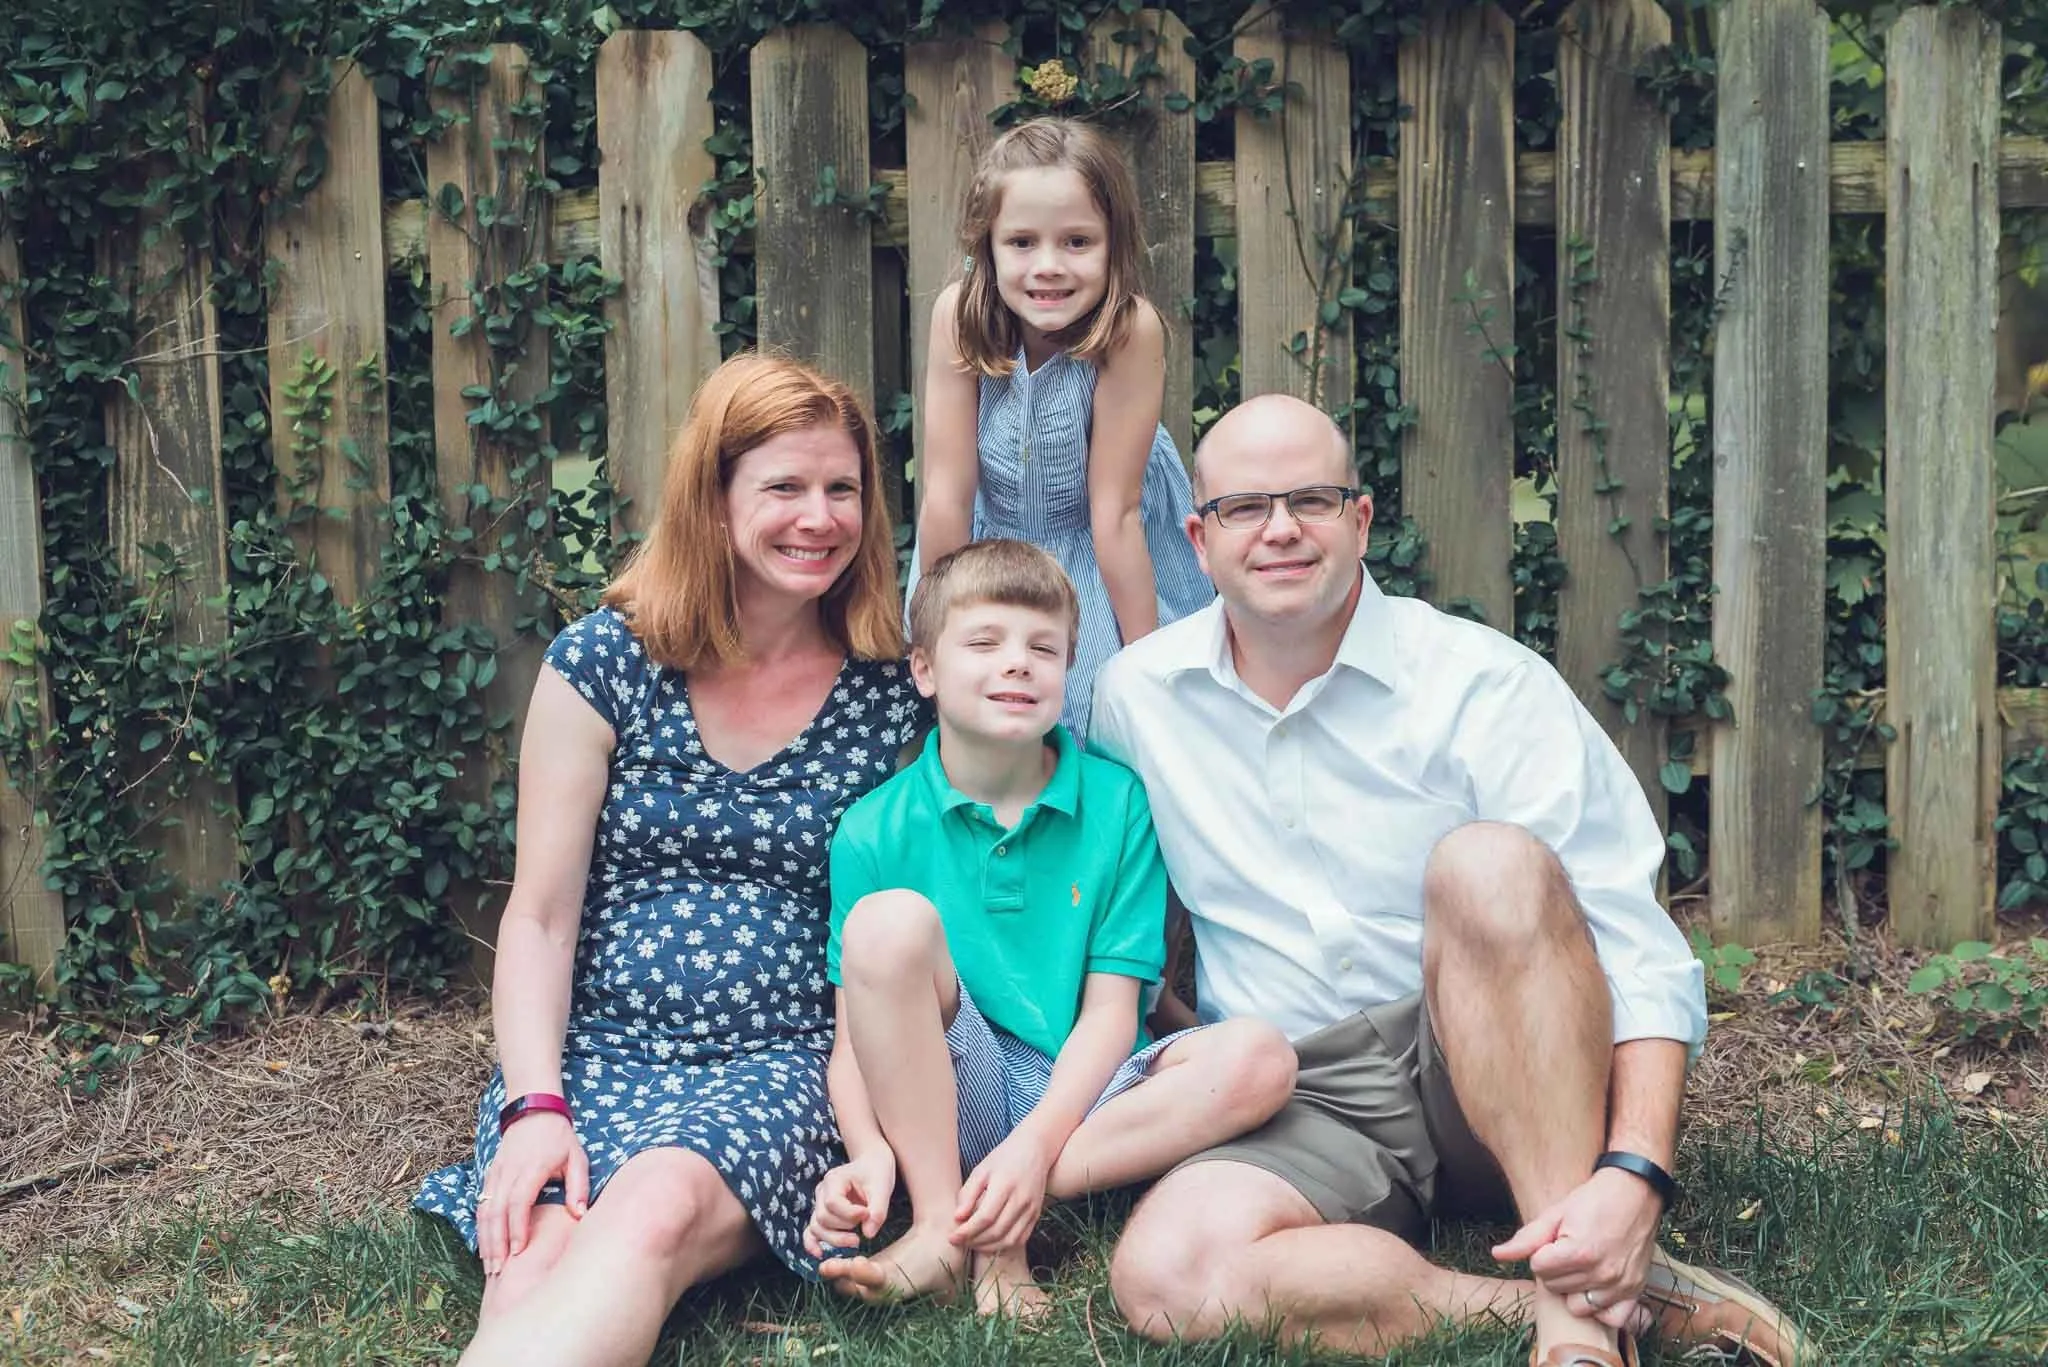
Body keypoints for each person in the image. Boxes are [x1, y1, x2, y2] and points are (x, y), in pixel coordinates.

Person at [1091, 394, 1808, 1367]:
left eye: (1310, 499)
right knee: (1168, 1274)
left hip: (1501, 1064)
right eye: (1244, 507)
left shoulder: (1483, 682)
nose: (1280, 529)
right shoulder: (1138, 697)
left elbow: (1632, 941)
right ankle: (1597, 1302)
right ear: (1198, 537)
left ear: (1360, 519)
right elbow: (1111, 902)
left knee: (1487, 864)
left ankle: (1578, 1326)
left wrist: (1635, 1173)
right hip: (1304, 1091)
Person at [413, 353, 930, 1367]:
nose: (819, 517)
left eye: (842, 489)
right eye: (784, 487)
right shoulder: (605, 663)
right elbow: (539, 917)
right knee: (535, 1248)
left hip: (785, 1063)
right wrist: (535, 1105)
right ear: (713, 497)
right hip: (597, 1053)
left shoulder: (889, 692)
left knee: (650, 1206)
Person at [801, 539, 1294, 1320]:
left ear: (1069, 667)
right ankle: (942, 1227)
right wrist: (868, 1153)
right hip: (953, 1084)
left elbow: (1112, 1013)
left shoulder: (1117, 803)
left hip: (1087, 1095)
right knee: (887, 923)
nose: (1018, 663)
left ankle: (996, 1204)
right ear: (924, 669)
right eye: (984, 642)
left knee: (1260, 1057)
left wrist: (1033, 1147)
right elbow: (852, 1044)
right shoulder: (873, 827)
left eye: (1043, 648)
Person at [912, 117, 1213, 741]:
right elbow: (946, 494)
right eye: (1022, 242)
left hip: (1105, 548)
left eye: (1077, 242)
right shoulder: (958, 318)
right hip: (987, 542)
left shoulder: (1129, 331)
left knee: (1104, 719)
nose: (1047, 266)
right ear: (987, 246)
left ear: (1114, 245)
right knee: (976, 703)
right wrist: (939, 631)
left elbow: (1116, 513)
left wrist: (1146, 667)